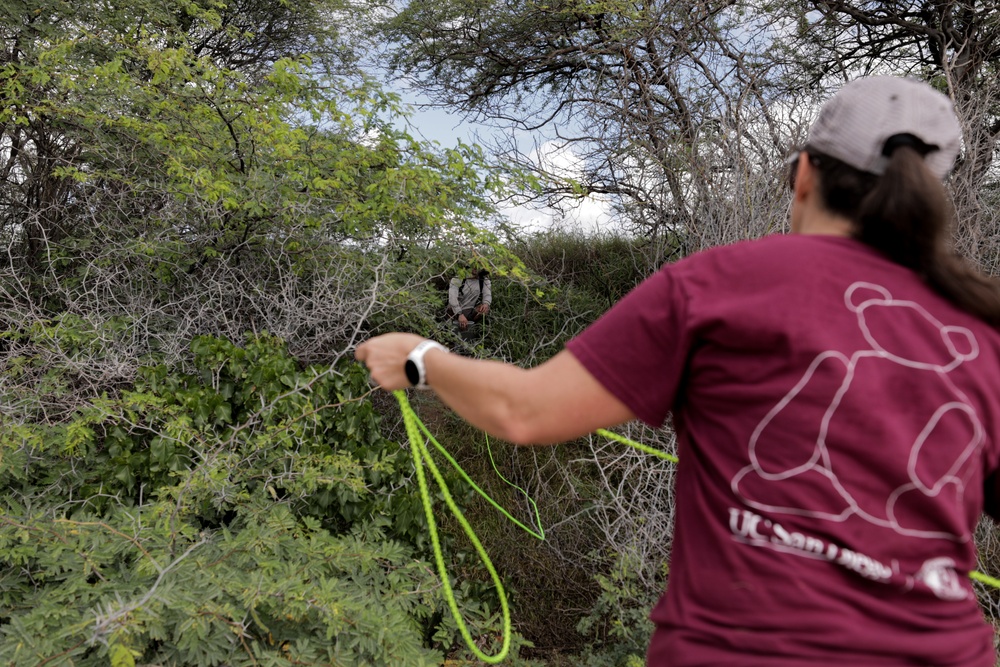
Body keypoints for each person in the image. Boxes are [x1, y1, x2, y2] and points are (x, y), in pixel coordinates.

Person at [356, 77, 1000, 666]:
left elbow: (523, 410)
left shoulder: (718, 286)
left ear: (804, 175)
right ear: (931, 196)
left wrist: (420, 358)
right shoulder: (983, 330)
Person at [447, 266, 491, 337]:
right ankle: (451, 332)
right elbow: (452, 298)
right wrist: (459, 314)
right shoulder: (457, 279)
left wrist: (486, 303)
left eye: (477, 266)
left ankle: (474, 331)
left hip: (470, 309)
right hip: (454, 310)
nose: (475, 269)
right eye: (473, 266)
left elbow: (487, 295)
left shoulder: (484, 280)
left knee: (485, 310)